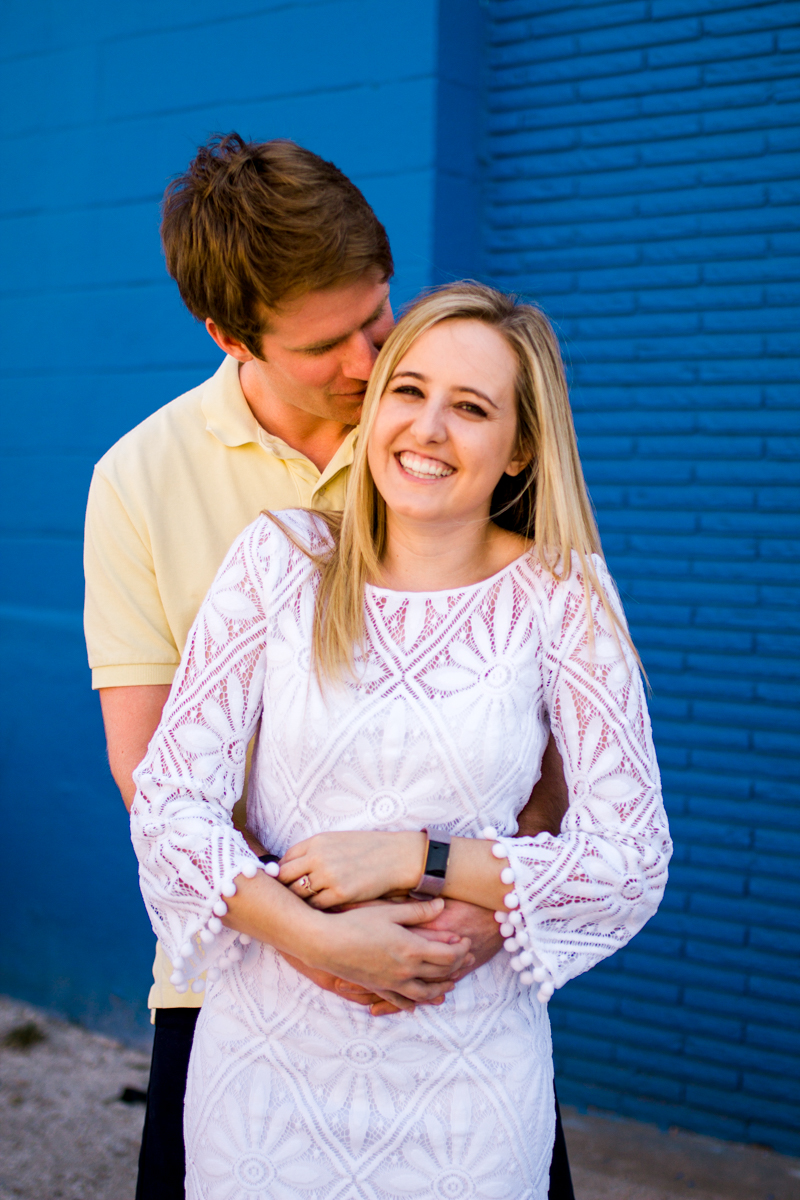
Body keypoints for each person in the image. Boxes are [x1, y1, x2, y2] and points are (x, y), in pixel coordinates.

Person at [84, 135, 573, 1198]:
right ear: (228, 337)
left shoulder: (444, 436)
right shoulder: (138, 479)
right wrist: (308, 937)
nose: (368, 366)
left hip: (453, 983)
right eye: (326, 346)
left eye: (375, 318)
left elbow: (553, 765)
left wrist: (480, 917)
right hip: (232, 989)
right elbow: (146, 766)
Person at [131, 282, 671, 1199]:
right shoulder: (280, 561)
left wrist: (416, 858)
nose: (427, 429)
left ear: (521, 448)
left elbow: (629, 859)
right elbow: (170, 807)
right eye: (408, 390)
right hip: (265, 1082)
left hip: (466, 1094)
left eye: (471, 407)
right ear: (374, 407)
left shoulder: (563, 597)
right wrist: (315, 936)